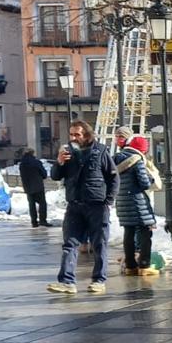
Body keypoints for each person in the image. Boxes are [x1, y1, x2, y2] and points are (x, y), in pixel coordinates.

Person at [48, 121, 117, 294]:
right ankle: (67, 282)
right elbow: (56, 176)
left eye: (77, 134)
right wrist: (59, 162)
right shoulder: (68, 153)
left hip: (97, 205)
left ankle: (99, 280)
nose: (73, 138)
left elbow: (113, 177)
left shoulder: (100, 151)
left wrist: (108, 200)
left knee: (99, 244)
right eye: (71, 134)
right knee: (70, 243)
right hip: (75, 205)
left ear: (87, 135)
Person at [113, 136, 158, 277]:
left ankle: (130, 266)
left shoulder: (115, 159)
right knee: (145, 232)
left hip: (122, 201)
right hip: (137, 202)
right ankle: (145, 265)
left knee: (129, 232)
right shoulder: (137, 160)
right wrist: (151, 178)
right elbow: (144, 183)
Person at [19, 148, 49, 228]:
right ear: (32, 153)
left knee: (31, 205)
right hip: (38, 186)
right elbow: (44, 174)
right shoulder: (36, 162)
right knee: (42, 204)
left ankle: (34, 222)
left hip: (28, 187)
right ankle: (43, 220)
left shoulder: (22, 164)